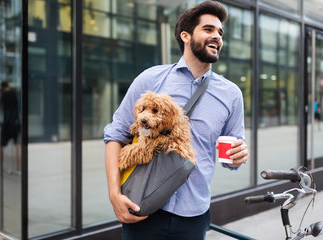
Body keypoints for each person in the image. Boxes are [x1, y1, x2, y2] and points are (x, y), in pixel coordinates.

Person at [103, 1, 249, 239]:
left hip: (194, 214)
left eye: (220, 32)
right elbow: (115, 135)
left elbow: (231, 157)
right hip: (143, 207)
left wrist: (237, 156)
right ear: (186, 36)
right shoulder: (151, 79)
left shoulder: (231, 94)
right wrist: (114, 194)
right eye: (209, 29)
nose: (217, 36)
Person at [0, 81, 21, 175]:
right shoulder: (14, 93)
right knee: (17, 146)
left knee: (2, 145)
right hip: (15, 121)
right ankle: (19, 167)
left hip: (7, 122)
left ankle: (0, 167)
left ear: (3, 87)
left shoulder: (4, 95)